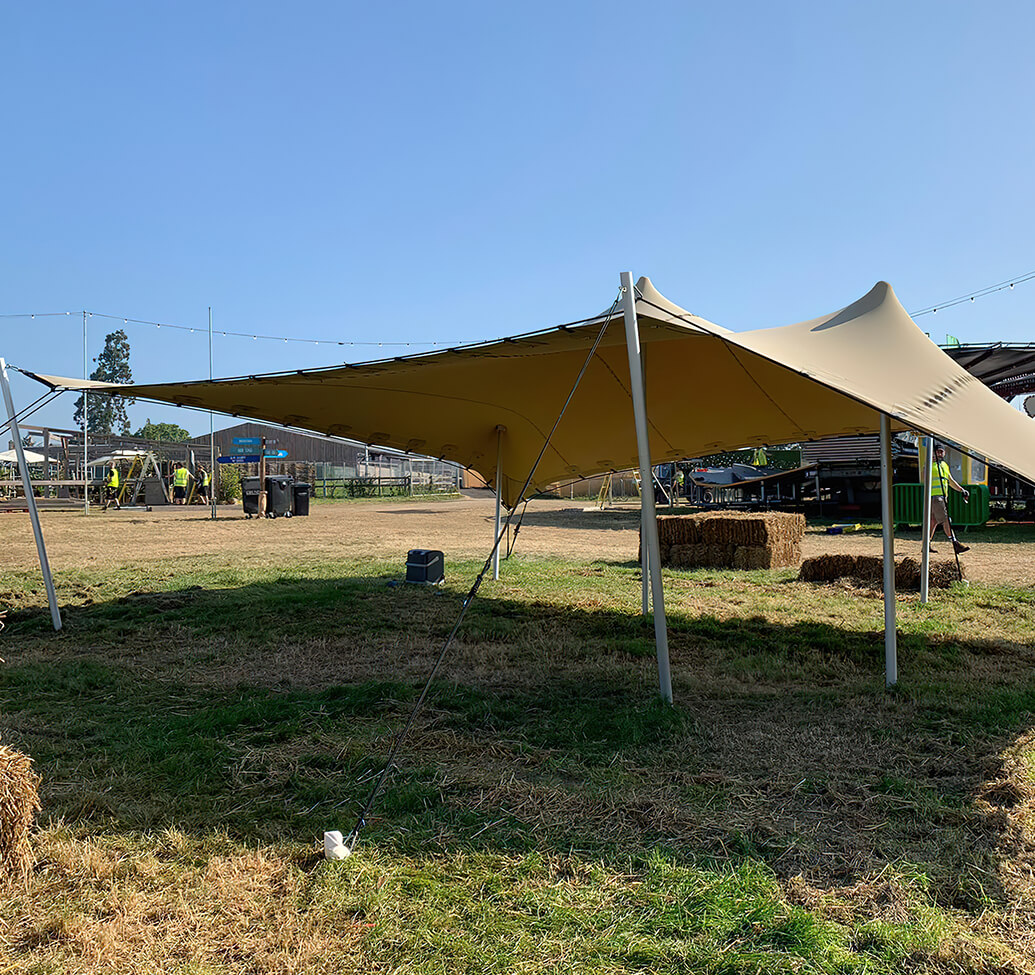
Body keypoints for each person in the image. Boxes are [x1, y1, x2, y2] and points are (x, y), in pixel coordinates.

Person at [929, 444, 970, 554]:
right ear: (933, 453)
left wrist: (962, 490)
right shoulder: (930, 465)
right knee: (945, 520)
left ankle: (926, 545)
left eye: (942, 451)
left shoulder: (944, 465)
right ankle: (955, 543)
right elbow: (924, 476)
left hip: (941, 497)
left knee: (933, 521)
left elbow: (950, 481)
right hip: (936, 497)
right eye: (938, 451)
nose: (940, 453)